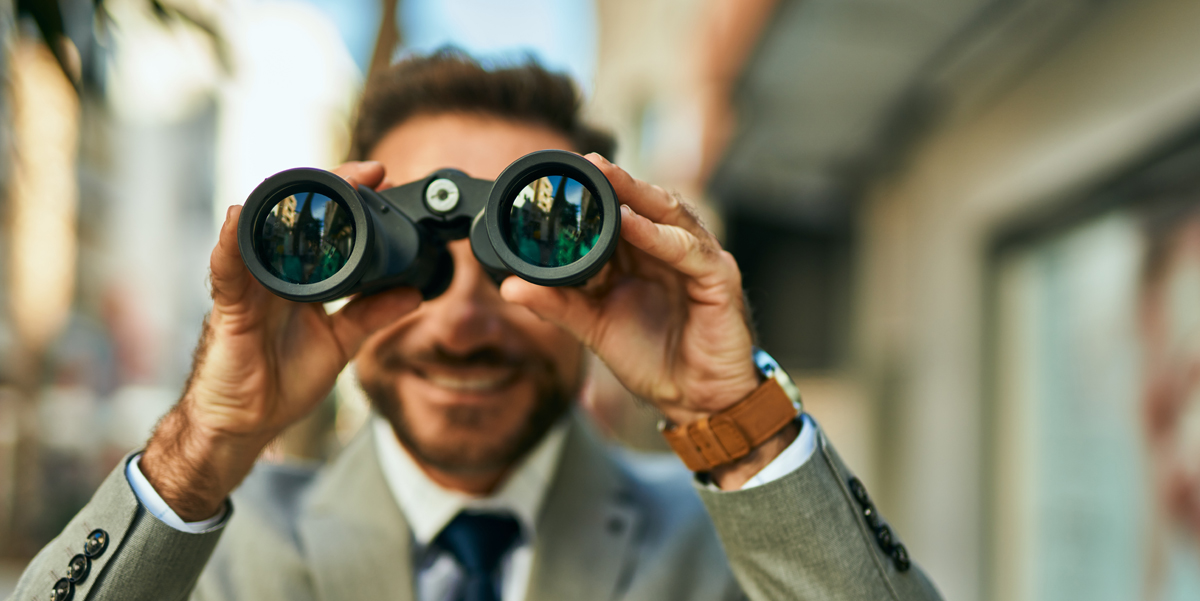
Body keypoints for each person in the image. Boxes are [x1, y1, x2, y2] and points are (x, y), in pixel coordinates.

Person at [11, 50, 941, 601]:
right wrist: (200, 448)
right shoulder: (214, 555)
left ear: (607, 266)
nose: (460, 319)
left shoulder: (732, 544)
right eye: (409, 258)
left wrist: (738, 425)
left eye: (525, 248)